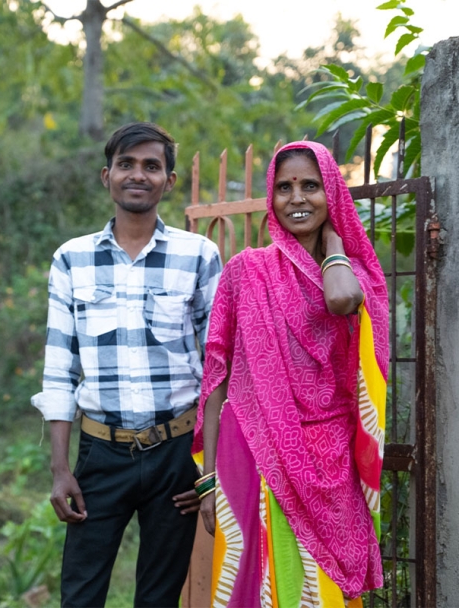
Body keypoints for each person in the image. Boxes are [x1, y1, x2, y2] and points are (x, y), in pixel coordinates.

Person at [32, 122, 222, 607]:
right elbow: (59, 369)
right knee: (80, 593)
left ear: (169, 181)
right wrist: (60, 468)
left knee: (159, 597)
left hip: (176, 454)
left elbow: (219, 370)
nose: (138, 175)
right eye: (127, 164)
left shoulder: (198, 256)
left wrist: (208, 471)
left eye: (151, 166)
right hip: (100, 453)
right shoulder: (72, 260)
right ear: (107, 175)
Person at [193, 141, 389, 606]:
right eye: (284, 188)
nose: (297, 198)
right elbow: (217, 377)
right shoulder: (246, 271)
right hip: (253, 449)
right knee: (251, 581)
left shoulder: (354, 272)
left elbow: (340, 301)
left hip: (332, 456)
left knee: (327, 589)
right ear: (270, 196)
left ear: (333, 194)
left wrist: (335, 246)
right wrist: (207, 480)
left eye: (311, 186)